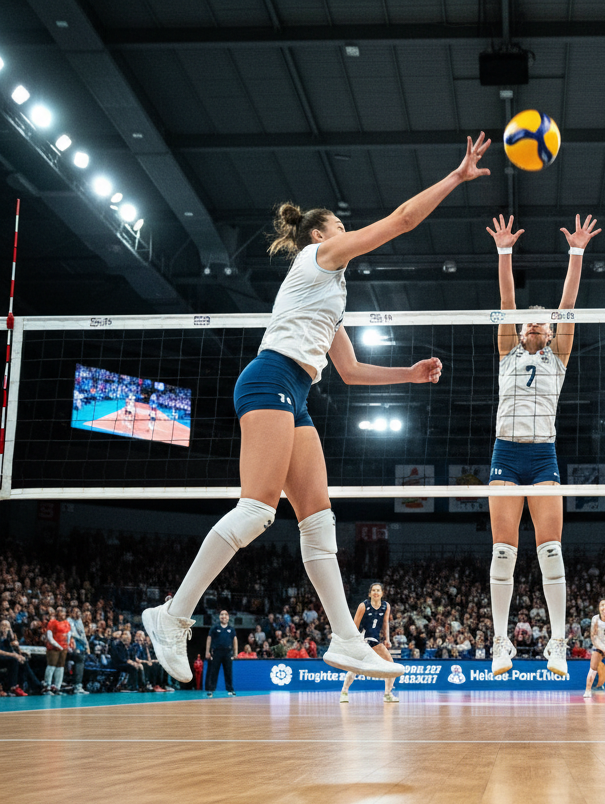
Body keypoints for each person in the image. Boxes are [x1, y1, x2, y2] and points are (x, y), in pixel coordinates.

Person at [143, 132, 492, 686]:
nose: (346, 233)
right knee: (256, 512)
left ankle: (345, 639)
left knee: (319, 521)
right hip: (269, 380)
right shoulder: (318, 257)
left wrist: (409, 373)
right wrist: (456, 176)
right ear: (320, 233)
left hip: (295, 393)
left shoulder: (332, 296)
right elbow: (402, 221)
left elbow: (350, 372)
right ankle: (172, 616)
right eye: (340, 226)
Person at [484, 212, 601, 679]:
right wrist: (504, 251)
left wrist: (576, 253)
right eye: (529, 322)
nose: (535, 323)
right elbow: (507, 300)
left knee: (550, 550)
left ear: (551, 332)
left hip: (543, 454)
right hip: (505, 454)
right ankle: (498, 641)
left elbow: (568, 304)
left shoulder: (560, 356)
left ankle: (557, 642)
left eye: (542, 322)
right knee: (502, 553)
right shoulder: (507, 351)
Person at [340, 583, 399, 703]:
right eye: (373, 590)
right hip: (362, 640)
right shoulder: (363, 606)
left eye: (378, 590)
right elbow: (354, 626)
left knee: (391, 667)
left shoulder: (385, 606)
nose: (376, 592)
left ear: (382, 593)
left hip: (376, 641)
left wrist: (387, 639)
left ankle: (388, 694)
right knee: (354, 668)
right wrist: (353, 642)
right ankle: (344, 692)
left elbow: (385, 624)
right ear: (370, 593)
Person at [205, 609, 238, 696]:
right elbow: (209, 639)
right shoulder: (214, 628)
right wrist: (207, 651)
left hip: (227, 653)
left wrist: (235, 653)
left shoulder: (231, 629)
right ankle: (211, 689)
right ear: (219, 617)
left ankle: (230, 689)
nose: (223, 616)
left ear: (228, 617)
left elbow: (235, 641)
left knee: (228, 672)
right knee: (214, 672)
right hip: (216, 653)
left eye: (225, 615)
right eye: (221, 614)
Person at [44, 605, 72, 695]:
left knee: (60, 667)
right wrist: (57, 645)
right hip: (53, 648)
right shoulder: (52, 622)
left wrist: (67, 645)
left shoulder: (67, 623)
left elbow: (68, 634)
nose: (63, 613)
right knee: (51, 665)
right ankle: (47, 686)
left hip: (63, 648)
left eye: (64, 612)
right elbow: (49, 636)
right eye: (61, 612)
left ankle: (57, 687)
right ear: (57, 613)